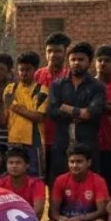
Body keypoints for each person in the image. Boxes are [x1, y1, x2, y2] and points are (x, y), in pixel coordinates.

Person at [48, 42, 106, 181]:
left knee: (89, 183)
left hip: (87, 143)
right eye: (73, 59)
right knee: (58, 184)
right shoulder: (57, 85)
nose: (76, 63)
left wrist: (67, 108)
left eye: (81, 60)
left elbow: (92, 113)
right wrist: (81, 112)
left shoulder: (97, 87)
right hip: (62, 143)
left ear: (89, 62)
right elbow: (53, 112)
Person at [46, 143, 110, 221]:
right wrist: (61, 219)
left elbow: (102, 210)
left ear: (89, 163)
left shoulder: (98, 181)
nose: (75, 165)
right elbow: (53, 211)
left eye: (79, 161)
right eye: (72, 161)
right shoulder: (60, 180)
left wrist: (81, 219)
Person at [4, 51, 48, 176]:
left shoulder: (42, 90)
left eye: (27, 70)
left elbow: (38, 117)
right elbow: (7, 111)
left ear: (35, 70)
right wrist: (27, 110)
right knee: (14, 175)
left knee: (35, 176)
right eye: (21, 70)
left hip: (34, 141)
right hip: (13, 140)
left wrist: (16, 107)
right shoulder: (10, 88)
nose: (24, 73)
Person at [36, 32, 72, 181]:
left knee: (58, 181)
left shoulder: (70, 76)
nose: (53, 55)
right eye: (49, 51)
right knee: (38, 180)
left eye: (57, 51)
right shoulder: (37, 75)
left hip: (62, 138)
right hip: (39, 137)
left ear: (65, 53)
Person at [0, 146, 46, 219]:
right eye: (11, 163)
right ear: (6, 165)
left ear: (27, 165)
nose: (14, 166)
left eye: (18, 163)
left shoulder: (36, 183)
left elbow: (38, 211)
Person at [95, 45, 111, 179]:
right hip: (91, 144)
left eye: (107, 60)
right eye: (100, 60)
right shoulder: (87, 85)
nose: (103, 63)